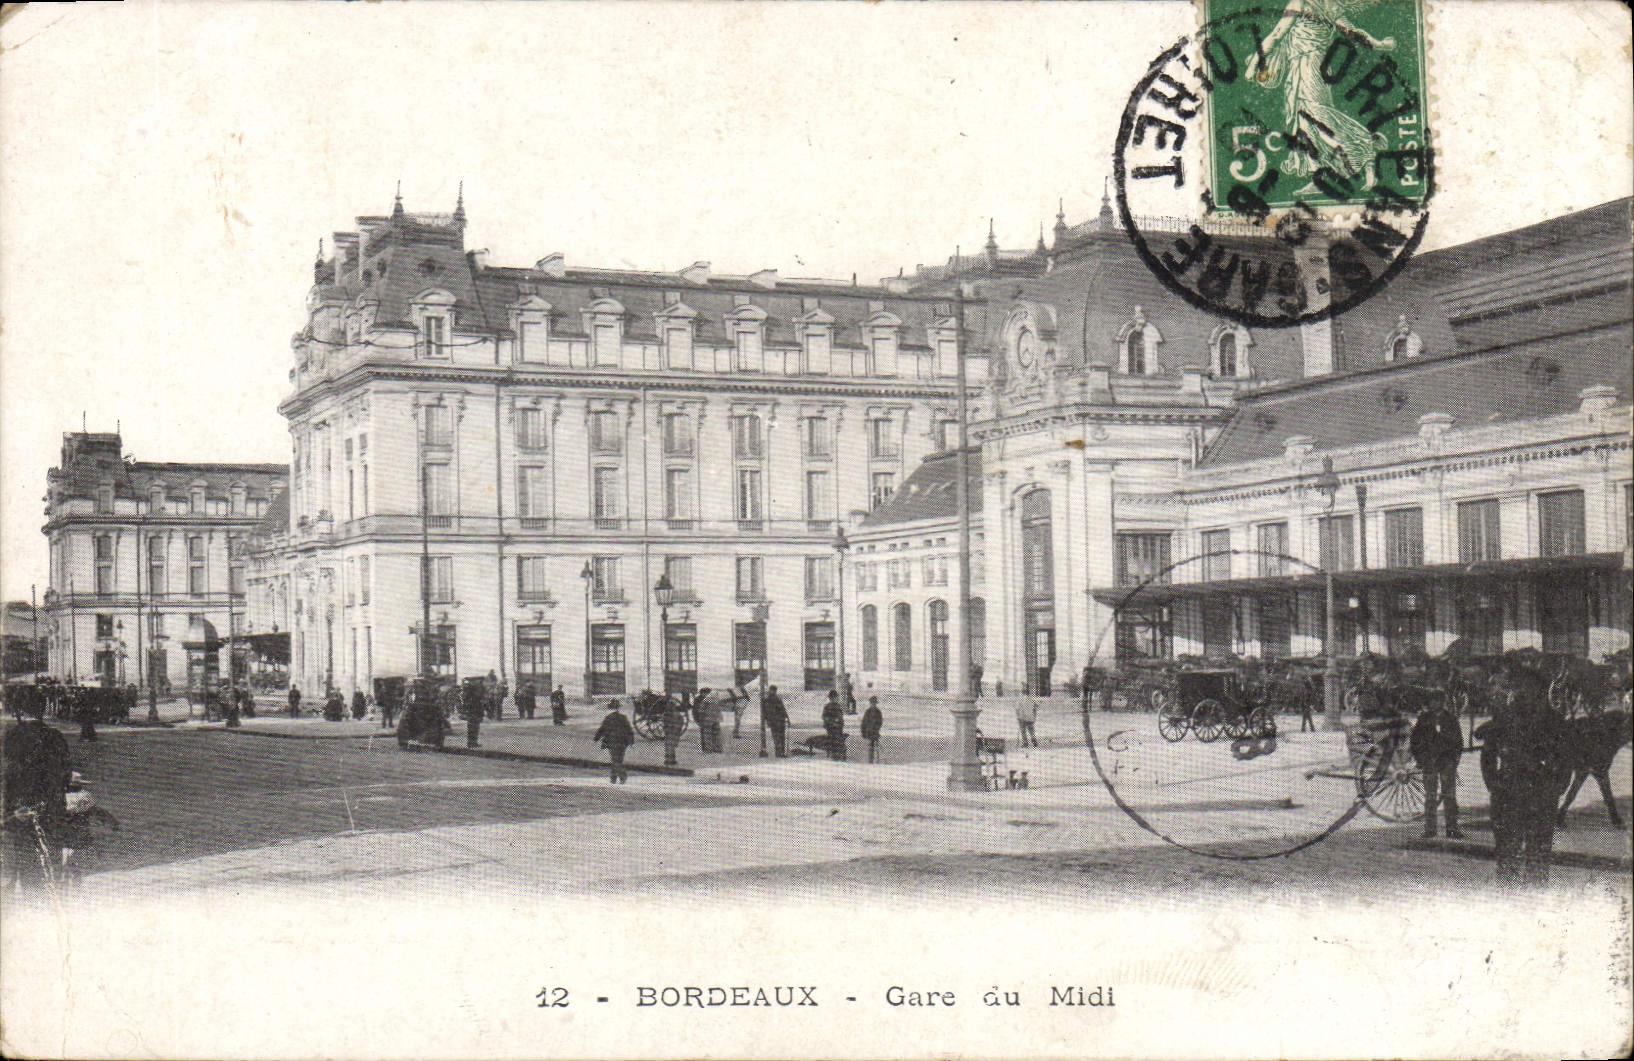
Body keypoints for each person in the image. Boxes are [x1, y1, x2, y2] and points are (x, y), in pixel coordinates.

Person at [1477, 663, 1573, 887]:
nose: (1522, 694)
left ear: (1540, 692)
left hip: (1542, 796)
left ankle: (1535, 905)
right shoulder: (1504, 720)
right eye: (1518, 689)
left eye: (1528, 689)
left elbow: (1566, 759)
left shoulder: (1555, 723)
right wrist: (1494, 785)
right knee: (1507, 857)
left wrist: (1557, 788)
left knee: (1538, 858)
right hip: (1507, 795)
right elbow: (1487, 756)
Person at [3, 688, 74, 888]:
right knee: (51, 861)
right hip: (53, 807)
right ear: (42, 710)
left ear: (18, 712)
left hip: (23, 810)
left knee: (28, 864)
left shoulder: (13, 737)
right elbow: (66, 773)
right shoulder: (56, 736)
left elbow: (9, 775)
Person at [1410, 696, 1465, 839]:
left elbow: (1459, 742)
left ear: (1443, 702)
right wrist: (1420, 758)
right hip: (1430, 761)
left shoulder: (1451, 719)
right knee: (1430, 796)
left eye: (1438, 700)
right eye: (1433, 700)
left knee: (1449, 795)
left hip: (1446, 761)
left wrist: (1454, 760)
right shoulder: (1424, 719)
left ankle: (1452, 828)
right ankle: (1430, 829)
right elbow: (1415, 740)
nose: (1435, 703)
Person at [594, 699, 635, 784]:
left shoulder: (608, 718)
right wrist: (631, 741)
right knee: (618, 759)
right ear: (617, 708)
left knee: (615, 760)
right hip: (623, 742)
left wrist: (596, 738)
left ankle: (622, 775)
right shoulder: (623, 717)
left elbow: (602, 729)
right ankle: (613, 778)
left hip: (612, 741)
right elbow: (629, 730)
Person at [761, 685, 788, 758]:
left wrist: (787, 718)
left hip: (779, 721)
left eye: (774, 690)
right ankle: (779, 752)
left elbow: (783, 709)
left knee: (780, 737)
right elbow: (765, 713)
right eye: (772, 690)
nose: (773, 692)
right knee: (777, 737)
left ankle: (781, 752)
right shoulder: (767, 700)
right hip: (775, 721)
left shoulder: (775, 699)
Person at [821, 689, 847, 760]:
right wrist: (831, 721)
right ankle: (834, 754)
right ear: (830, 698)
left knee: (839, 739)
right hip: (830, 727)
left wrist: (839, 722)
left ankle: (839, 753)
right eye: (832, 698)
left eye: (835, 697)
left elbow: (840, 716)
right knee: (832, 740)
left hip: (838, 727)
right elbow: (824, 716)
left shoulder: (838, 706)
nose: (834, 699)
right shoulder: (827, 707)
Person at [660, 695, 685, 766]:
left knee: (669, 746)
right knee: (671, 746)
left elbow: (665, 722)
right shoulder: (676, 713)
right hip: (674, 731)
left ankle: (669, 760)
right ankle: (671, 759)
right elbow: (681, 721)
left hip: (670, 731)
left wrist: (667, 727)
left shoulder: (667, 714)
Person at [696, 690, 723, 754]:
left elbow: (700, 710)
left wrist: (699, 718)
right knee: (717, 734)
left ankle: (708, 749)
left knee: (707, 734)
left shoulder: (705, 700)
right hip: (717, 720)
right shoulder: (716, 700)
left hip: (707, 720)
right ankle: (718, 748)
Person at [861, 696, 884, 763]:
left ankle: (877, 759)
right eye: (872, 703)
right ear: (870, 703)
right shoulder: (868, 712)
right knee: (870, 746)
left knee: (876, 746)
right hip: (869, 732)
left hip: (875, 732)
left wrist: (877, 729)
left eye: (874, 703)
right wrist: (863, 732)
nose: (873, 704)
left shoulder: (878, 712)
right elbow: (864, 722)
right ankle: (870, 760)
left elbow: (880, 722)